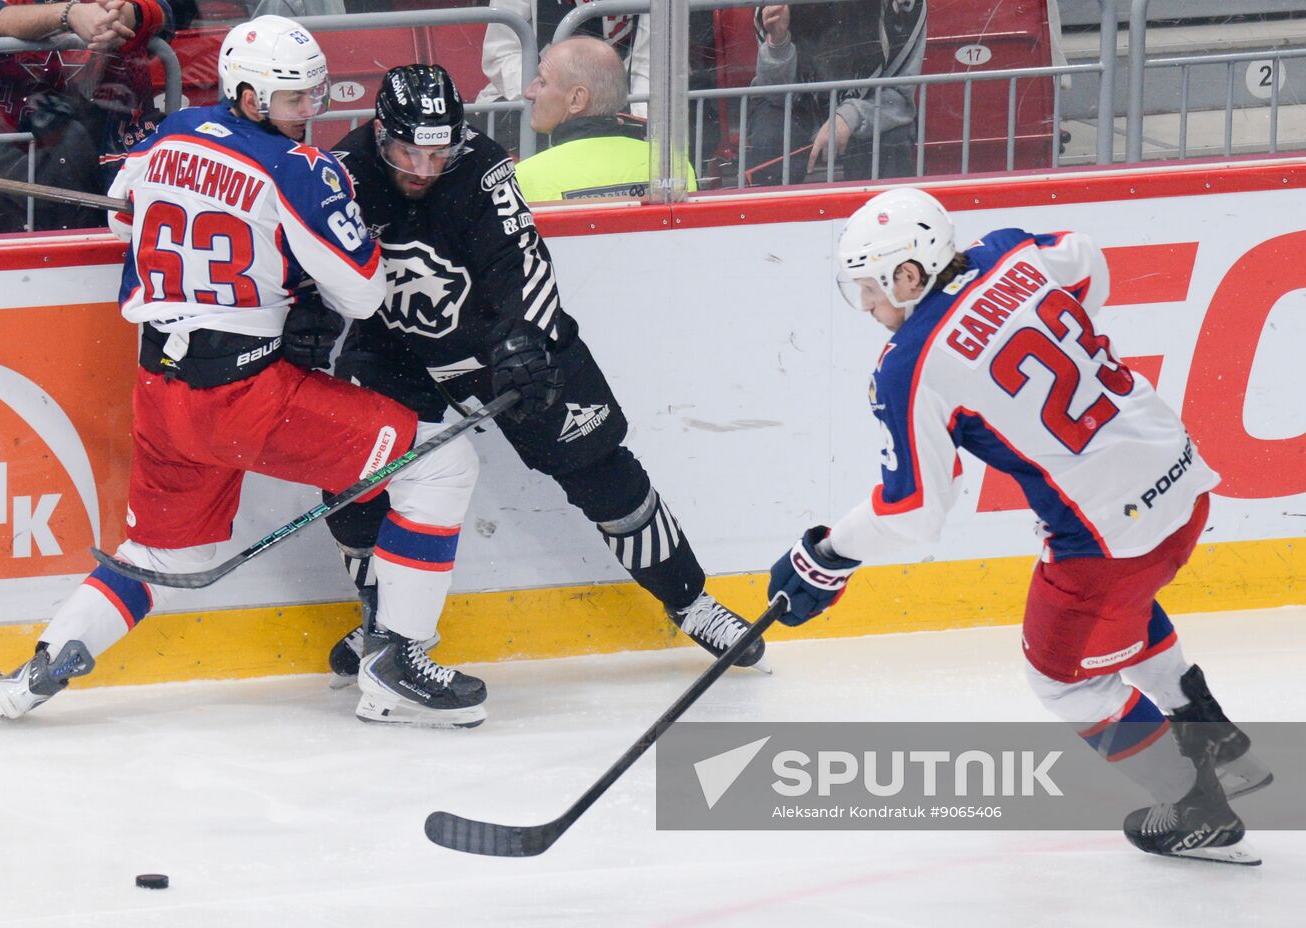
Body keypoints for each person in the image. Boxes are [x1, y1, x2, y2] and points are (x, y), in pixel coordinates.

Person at [0, 16, 487, 732]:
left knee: (164, 549)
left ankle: (38, 671)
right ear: (246, 94)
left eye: (314, 95)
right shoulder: (298, 169)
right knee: (443, 466)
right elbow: (362, 293)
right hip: (245, 398)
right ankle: (398, 663)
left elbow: (124, 219)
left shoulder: (172, 132)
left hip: (162, 393)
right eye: (294, 100)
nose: (310, 112)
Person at [767, 187, 1271, 864]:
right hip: (1181, 478)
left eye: (870, 287)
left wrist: (828, 555)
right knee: (1124, 603)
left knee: (1062, 678)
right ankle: (1207, 731)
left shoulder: (909, 363)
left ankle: (1193, 803)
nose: (866, 305)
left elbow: (913, 514)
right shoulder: (1007, 249)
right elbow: (1087, 262)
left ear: (908, 274)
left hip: (1107, 540)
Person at [320, 64, 767, 684]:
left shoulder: (479, 165)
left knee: (601, 470)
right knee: (352, 476)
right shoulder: (340, 173)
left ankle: (692, 602)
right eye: (408, 154)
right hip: (394, 348)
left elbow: (520, 259)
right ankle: (382, 619)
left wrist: (522, 339)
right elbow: (313, 261)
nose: (424, 169)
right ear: (379, 131)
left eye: (437, 153)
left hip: (497, 338)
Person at [0, 0, 172, 231]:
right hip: (5, 160)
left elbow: (169, 12)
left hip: (116, 151)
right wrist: (69, 15)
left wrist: (126, 15)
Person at [747, 0, 925, 187]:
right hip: (796, 107)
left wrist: (849, 116)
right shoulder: (774, 7)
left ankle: (883, 214)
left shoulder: (903, 6)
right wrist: (778, 42)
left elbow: (899, 96)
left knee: (891, 139)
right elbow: (774, 96)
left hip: (868, 106)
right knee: (771, 138)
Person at [515, 35, 697, 203]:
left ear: (577, 99)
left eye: (543, 82)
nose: (529, 92)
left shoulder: (525, 178)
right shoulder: (673, 166)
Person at [475, 0, 648, 153]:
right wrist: (551, 97)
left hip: (616, 103)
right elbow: (501, 54)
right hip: (529, 101)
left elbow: (649, 62)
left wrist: (640, 117)